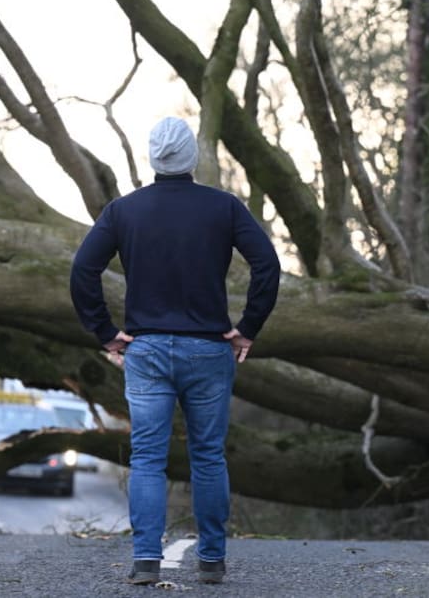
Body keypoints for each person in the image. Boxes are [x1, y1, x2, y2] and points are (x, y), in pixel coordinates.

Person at [69, 117, 281, 586]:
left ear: (153, 157)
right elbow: (267, 264)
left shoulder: (124, 211)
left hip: (145, 351)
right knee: (208, 456)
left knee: (147, 457)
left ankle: (147, 560)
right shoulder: (223, 207)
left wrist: (105, 332)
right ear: (192, 157)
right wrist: (248, 328)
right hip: (208, 350)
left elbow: (83, 270)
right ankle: (212, 561)